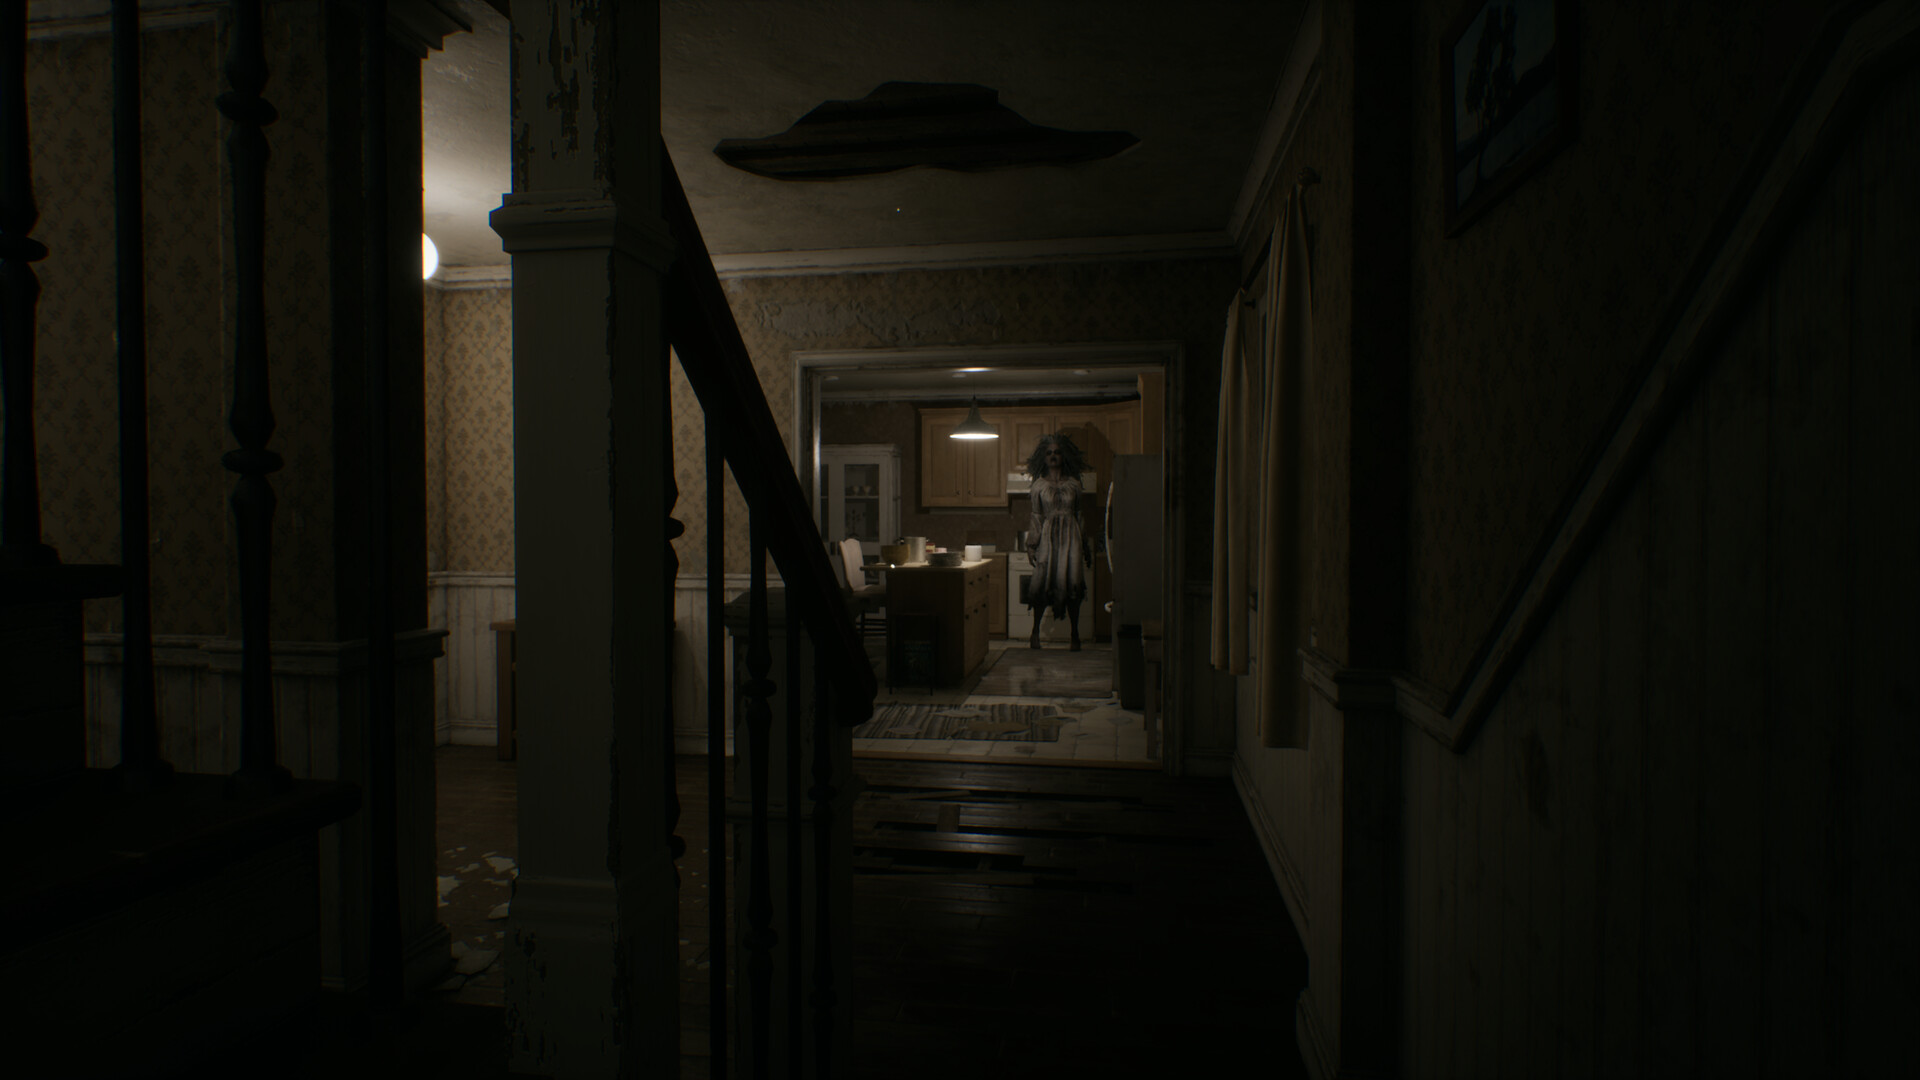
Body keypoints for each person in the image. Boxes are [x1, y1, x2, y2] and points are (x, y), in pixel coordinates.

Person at [1022, 432, 1092, 650]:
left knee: (1073, 584)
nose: (1053, 456)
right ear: (1043, 458)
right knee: (1041, 583)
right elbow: (1036, 517)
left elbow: (1079, 515)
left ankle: (1074, 635)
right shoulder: (1039, 486)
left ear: (1064, 456)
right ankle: (1035, 633)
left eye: (1057, 452)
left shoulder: (1074, 484)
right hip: (1048, 539)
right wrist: (1031, 545)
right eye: (1049, 453)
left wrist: (1085, 545)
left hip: (1072, 539)